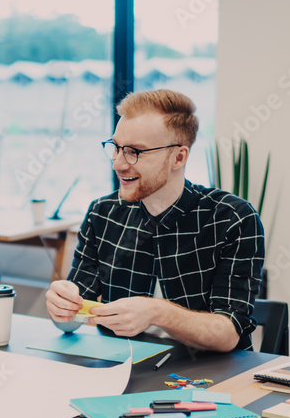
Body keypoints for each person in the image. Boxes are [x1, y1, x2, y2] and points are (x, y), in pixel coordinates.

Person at [46, 89, 264, 352]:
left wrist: (157, 311)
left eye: (134, 151)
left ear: (179, 157)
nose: (117, 164)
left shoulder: (232, 218)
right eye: (116, 148)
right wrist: (63, 308)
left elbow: (229, 333)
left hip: (209, 376)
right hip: (122, 367)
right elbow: (76, 315)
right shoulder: (101, 213)